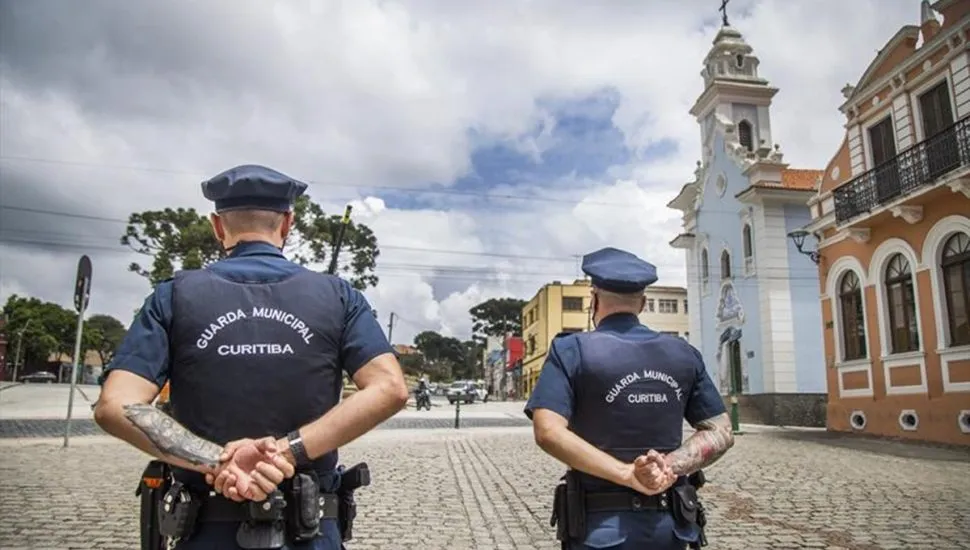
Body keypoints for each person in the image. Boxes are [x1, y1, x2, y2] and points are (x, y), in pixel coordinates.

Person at [94, 164, 410, 549]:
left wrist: (217, 460)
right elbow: (390, 387)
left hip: (206, 532)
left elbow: (115, 405)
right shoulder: (338, 296)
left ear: (217, 225)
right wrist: (286, 451)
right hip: (309, 534)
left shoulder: (174, 296)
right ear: (288, 223)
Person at [525, 246, 735, 550]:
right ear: (643, 303)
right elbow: (721, 431)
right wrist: (668, 467)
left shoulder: (570, 350)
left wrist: (627, 474)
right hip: (671, 527)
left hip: (599, 528)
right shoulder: (684, 354)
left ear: (594, 300)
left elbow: (548, 431)